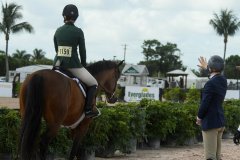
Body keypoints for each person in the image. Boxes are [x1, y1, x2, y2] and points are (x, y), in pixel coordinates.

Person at [53, 4, 99, 118]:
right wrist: (83, 65)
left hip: (57, 65)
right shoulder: (78, 31)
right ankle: (88, 110)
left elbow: (56, 48)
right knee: (94, 83)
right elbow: (83, 52)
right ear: (76, 17)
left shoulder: (58, 31)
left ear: (64, 16)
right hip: (73, 65)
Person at [196, 55, 227, 160]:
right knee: (217, 157)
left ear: (211, 68)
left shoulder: (210, 84)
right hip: (219, 122)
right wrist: (207, 68)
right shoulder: (223, 80)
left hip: (210, 123)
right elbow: (214, 76)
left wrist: (199, 117)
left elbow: (205, 103)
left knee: (210, 157)